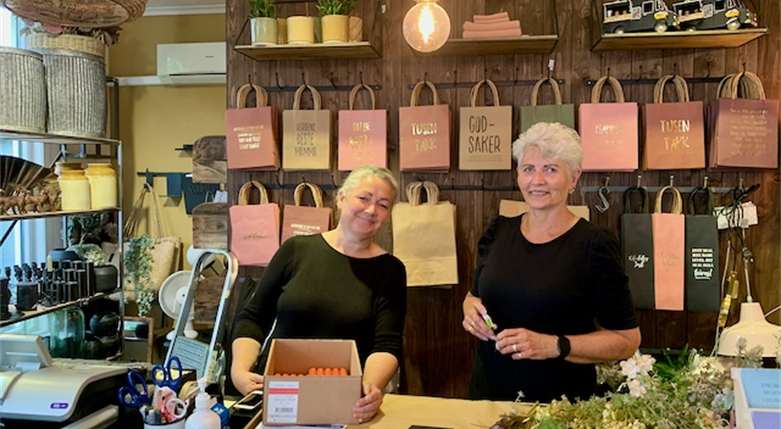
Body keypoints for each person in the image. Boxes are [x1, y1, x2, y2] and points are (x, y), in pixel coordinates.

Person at [462, 122, 641, 403]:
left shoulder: (595, 245)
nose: (537, 180)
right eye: (528, 169)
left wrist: (555, 345)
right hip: (487, 397)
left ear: (574, 177)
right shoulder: (498, 231)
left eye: (550, 169)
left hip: (560, 407)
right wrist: (471, 313)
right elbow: (473, 296)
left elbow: (627, 340)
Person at [231, 165, 406, 423]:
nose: (371, 210)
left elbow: (387, 343)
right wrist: (239, 372)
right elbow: (254, 316)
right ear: (341, 197)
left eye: (383, 205)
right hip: (281, 393)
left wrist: (370, 388)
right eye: (364, 198)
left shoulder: (390, 270)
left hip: (345, 398)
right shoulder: (296, 250)